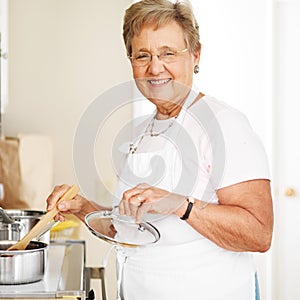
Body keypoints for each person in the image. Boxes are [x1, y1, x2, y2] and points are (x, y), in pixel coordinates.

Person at [46, 0, 273, 299]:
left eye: (168, 53)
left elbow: (259, 234)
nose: (155, 67)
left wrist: (180, 204)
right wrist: (83, 208)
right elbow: (128, 229)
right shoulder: (143, 129)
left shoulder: (224, 124)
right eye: (143, 55)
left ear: (195, 55)